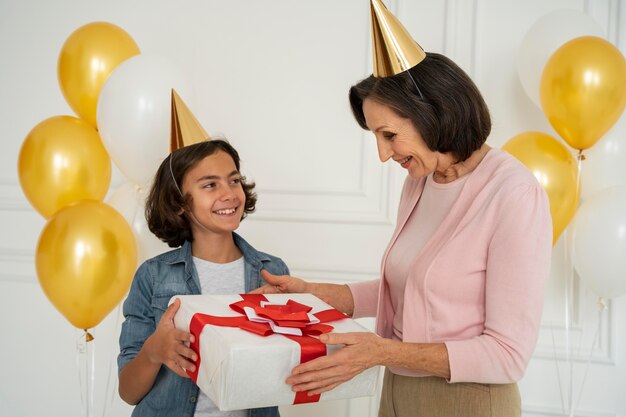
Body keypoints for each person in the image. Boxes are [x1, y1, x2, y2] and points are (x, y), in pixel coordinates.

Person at [252, 1, 552, 416]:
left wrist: (382, 352)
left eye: (389, 134)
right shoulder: (421, 181)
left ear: (433, 114)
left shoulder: (514, 194)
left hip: (467, 401)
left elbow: (507, 354)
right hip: (397, 392)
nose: (382, 154)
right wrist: (318, 294)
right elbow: (413, 288)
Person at [117, 133, 288, 416]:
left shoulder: (272, 273)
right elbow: (128, 391)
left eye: (234, 180)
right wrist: (153, 351)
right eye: (210, 184)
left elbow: (284, 370)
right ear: (179, 203)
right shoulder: (153, 277)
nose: (229, 193)